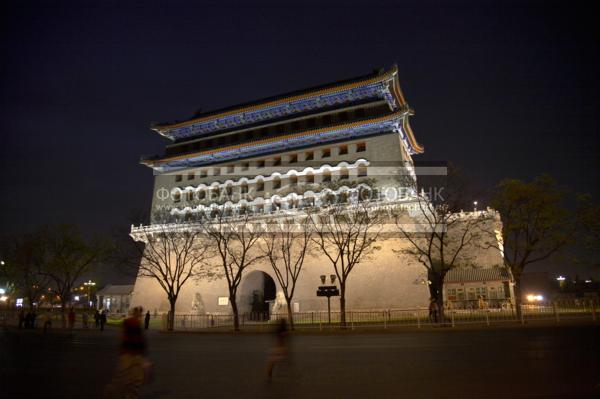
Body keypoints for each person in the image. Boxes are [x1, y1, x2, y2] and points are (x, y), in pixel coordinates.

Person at [105, 307, 149, 399]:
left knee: (133, 378)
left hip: (131, 354)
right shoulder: (133, 323)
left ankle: (123, 394)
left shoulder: (131, 322)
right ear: (137, 314)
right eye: (140, 314)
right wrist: (142, 358)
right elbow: (136, 340)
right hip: (131, 354)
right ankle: (112, 393)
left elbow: (129, 339)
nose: (140, 315)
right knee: (130, 378)